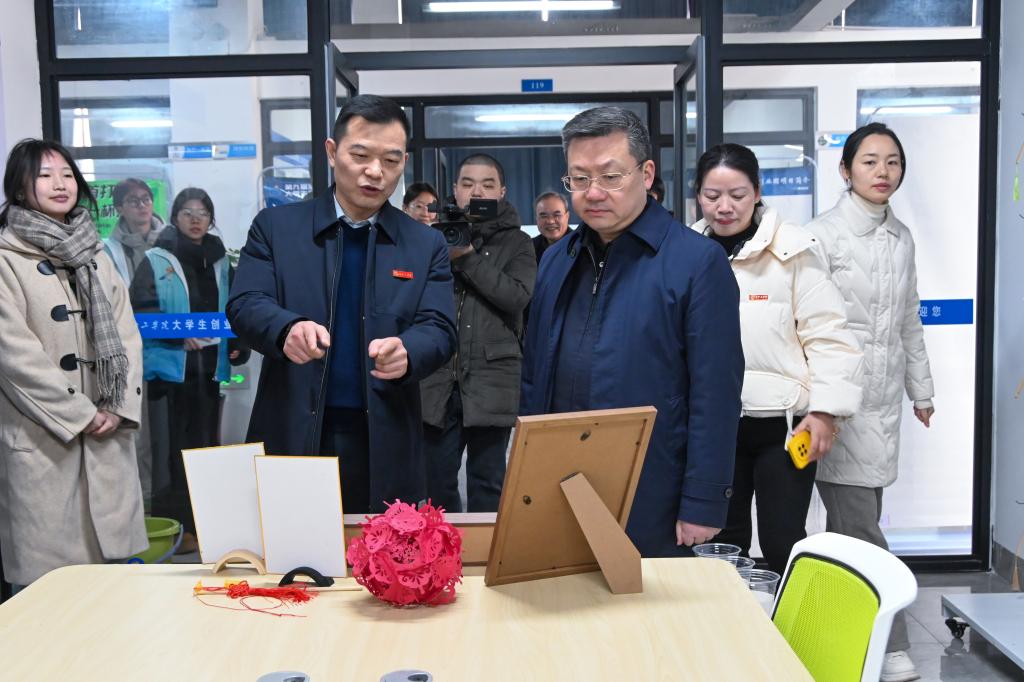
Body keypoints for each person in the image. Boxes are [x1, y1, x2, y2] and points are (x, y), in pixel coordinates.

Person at [520, 107, 744, 556]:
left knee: (647, 598)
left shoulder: (697, 262)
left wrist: (703, 500)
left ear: (646, 173)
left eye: (610, 177)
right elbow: (535, 374)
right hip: (559, 480)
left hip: (654, 486)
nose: (593, 192)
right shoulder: (556, 259)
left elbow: (716, 393)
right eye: (579, 178)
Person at [227, 95, 457, 514]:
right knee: (291, 545)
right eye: (361, 155)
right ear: (332, 152)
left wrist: (409, 350)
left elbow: (440, 326)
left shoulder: (424, 244)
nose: (376, 171)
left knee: (382, 548)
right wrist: (285, 328)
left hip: (386, 433)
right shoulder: (277, 228)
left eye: (390, 160)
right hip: (293, 425)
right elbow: (246, 302)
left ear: (404, 162)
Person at [690, 144, 863, 575]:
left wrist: (825, 412)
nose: (725, 207)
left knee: (783, 539)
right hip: (713, 428)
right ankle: (730, 620)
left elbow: (829, 336)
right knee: (720, 543)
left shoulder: (796, 250)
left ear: (757, 192)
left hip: (783, 429)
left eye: (737, 195)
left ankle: (799, 620)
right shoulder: (684, 254)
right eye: (712, 195)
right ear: (697, 195)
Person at [804, 122, 935, 682]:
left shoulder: (901, 237)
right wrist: (818, 402)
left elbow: (908, 319)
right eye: (870, 161)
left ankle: (842, 637)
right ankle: (890, 646)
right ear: (845, 170)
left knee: (855, 525)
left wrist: (921, 389)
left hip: (883, 404)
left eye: (893, 162)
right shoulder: (821, 236)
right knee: (859, 529)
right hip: (834, 404)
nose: (883, 172)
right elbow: (807, 324)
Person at [0, 139, 147, 587]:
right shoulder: (6, 258)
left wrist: (117, 407)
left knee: (112, 590)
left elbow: (127, 334)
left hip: (107, 434)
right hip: (45, 438)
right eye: (44, 175)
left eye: (66, 174)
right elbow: (13, 354)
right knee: (47, 592)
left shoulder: (95, 253)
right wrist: (80, 413)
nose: (59, 184)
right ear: (20, 188)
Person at [130, 187, 249, 551]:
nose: (196, 220)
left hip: (209, 372)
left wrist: (237, 345)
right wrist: (178, 335)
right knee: (172, 454)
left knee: (207, 448)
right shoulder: (156, 258)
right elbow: (140, 310)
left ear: (210, 219)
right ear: (175, 217)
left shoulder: (220, 260)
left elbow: (236, 308)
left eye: (202, 214)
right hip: (169, 375)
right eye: (188, 213)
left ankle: (207, 526)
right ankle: (177, 530)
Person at [420, 154, 536, 512]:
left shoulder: (518, 242)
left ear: (502, 192)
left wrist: (467, 257)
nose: (477, 192)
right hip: (438, 379)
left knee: (488, 483)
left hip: (493, 378)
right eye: (468, 184)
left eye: (487, 184)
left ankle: (487, 549)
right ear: (455, 190)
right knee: (436, 484)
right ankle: (443, 548)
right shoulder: (431, 238)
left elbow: (516, 297)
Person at [104, 178, 164, 509]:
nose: (141, 206)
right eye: (133, 201)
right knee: (137, 432)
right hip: (128, 350)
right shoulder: (107, 250)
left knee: (167, 433)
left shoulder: (172, 241)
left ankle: (167, 504)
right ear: (120, 208)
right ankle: (144, 504)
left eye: (145, 199)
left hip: (170, 350)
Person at [532, 191, 572, 263]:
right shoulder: (529, 247)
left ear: (567, 216)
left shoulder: (581, 246)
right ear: (536, 219)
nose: (550, 221)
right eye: (544, 216)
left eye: (557, 215)